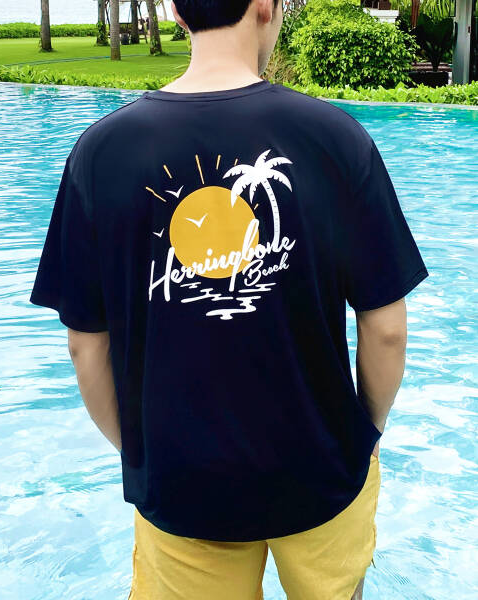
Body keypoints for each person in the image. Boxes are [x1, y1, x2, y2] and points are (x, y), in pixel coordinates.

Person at [29, 1, 429, 598]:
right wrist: (363, 433)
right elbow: (386, 328)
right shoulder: (336, 137)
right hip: (322, 472)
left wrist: (143, 453)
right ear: (265, 5)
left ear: (175, 10)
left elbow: (86, 347)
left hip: (182, 487)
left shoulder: (101, 151)